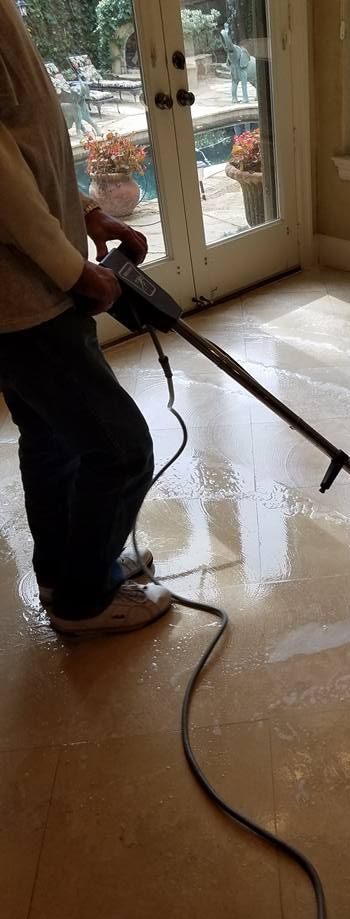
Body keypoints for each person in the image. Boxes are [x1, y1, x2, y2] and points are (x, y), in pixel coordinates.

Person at [0, 0, 172, 636]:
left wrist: (86, 213)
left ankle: (68, 569)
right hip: (25, 299)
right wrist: (73, 269)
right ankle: (83, 599)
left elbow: (25, 140)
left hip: (26, 296)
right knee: (120, 450)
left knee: (52, 438)